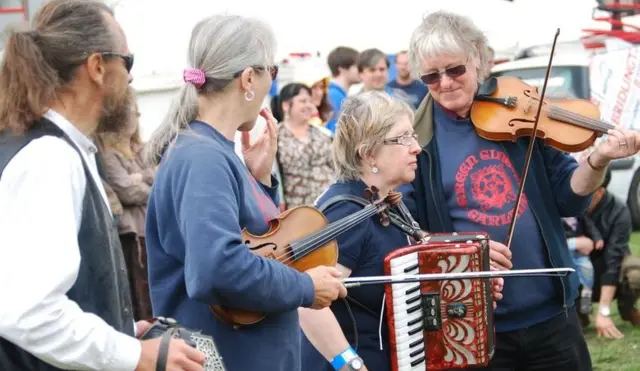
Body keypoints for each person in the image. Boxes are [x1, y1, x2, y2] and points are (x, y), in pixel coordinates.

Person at [406, 10, 640, 370]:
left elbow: (569, 196)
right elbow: (408, 231)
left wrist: (598, 160)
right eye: (430, 76)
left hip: (551, 316)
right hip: (472, 325)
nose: (445, 83)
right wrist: (466, 253)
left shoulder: (520, 114)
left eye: (455, 70)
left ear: (478, 60)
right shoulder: (415, 139)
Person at [0, 1, 205, 370]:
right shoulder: (49, 158)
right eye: (128, 61)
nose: (129, 78)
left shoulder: (65, 151)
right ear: (97, 67)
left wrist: (120, 330)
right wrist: (132, 355)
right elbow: (30, 312)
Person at [143, 14, 347, 371]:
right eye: (272, 71)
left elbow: (252, 241)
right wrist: (304, 286)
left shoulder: (213, 151)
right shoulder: (203, 157)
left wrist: (257, 178)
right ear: (249, 78)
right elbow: (217, 267)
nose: (272, 82)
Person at [299, 91, 510, 371]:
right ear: (368, 152)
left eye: (413, 136)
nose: (416, 148)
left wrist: (471, 293)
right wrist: (349, 364)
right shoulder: (346, 211)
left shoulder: (388, 202)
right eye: (403, 139)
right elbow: (307, 302)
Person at [99, 89, 155, 321]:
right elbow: (126, 190)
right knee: (140, 296)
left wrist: (140, 177)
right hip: (133, 237)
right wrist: (146, 179)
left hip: (149, 231)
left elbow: (158, 174)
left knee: (152, 292)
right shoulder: (108, 154)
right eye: (134, 111)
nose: (138, 116)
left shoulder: (141, 149)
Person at [580, 169, 640, 338]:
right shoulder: (567, 205)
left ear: (600, 191)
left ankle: (626, 307)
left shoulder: (620, 212)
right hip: (578, 276)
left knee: (636, 271)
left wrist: (604, 311)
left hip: (609, 272)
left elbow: (614, 260)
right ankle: (577, 314)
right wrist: (575, 242)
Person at [271, 82, 333, 209]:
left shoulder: (323, 134)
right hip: (297, 211)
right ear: (286, 105)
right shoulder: (275, 137)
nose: (308, 105)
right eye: (303, 101)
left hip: (328, 207)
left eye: (310, 101)